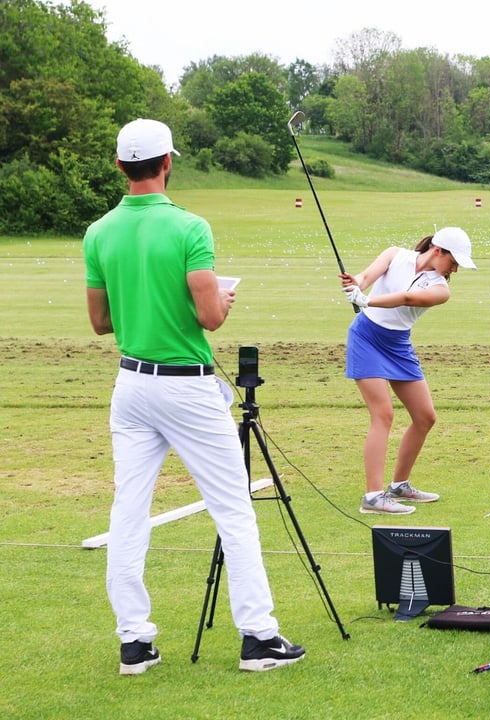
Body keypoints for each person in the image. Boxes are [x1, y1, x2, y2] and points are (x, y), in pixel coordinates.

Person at [83, 118, 304, 675]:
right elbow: (210, 317)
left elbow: (100, 322)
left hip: (131, 385)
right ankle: (258, 636)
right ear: (167, 163)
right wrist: (221, 300)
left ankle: (134, 642)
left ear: (120, 166)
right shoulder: (190, 227)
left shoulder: (98, 232)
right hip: (186, 385)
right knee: (233, 509)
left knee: (129, 511)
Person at [340, 226, 476, 514]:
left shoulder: (441, 289)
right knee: (383, 414)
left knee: (425, 417)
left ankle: (399, 486)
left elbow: (407, 298)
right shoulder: (395, 254)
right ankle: (373, 497)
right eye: (454, 262)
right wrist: (356, 284)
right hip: (366, 337)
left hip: (398, 344)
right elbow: (366, 277)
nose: (455, 269)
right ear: (438, 250)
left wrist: (366, 299)